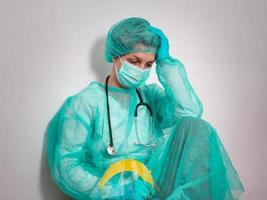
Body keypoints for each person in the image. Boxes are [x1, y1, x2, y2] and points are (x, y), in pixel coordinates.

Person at [46, 17, 245, 200]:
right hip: (110, 192)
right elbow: (66, 165)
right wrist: (115, 189)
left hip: (153, 187)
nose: (141, 70)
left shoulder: (149, 95)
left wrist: (165, 62)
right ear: (116, 56)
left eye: (148, 64)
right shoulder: (86, 102)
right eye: (134, 61)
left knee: (196, 126)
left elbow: (189, 111)